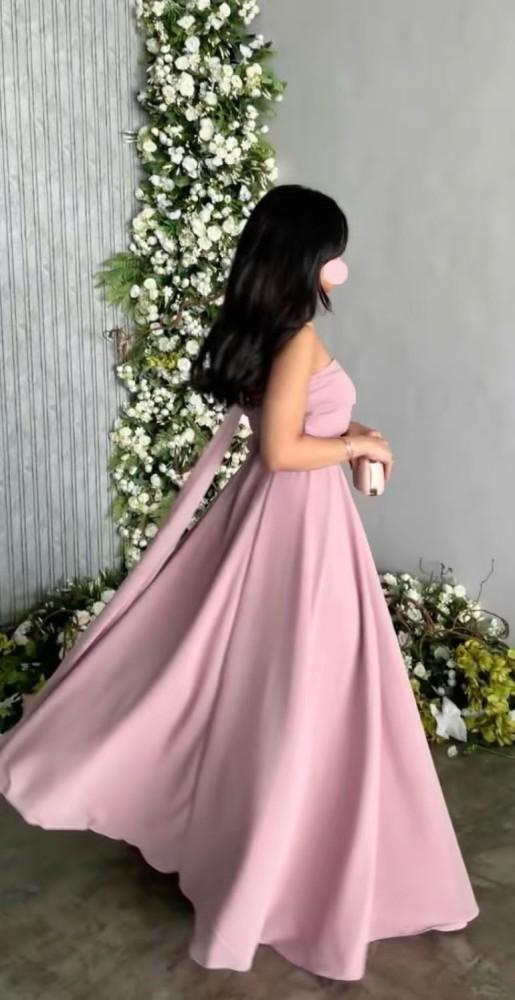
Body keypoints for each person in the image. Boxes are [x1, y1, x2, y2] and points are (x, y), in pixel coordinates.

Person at [0, 183, 479, 982]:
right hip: (298, 528)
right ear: (308, 259)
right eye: (333, 253)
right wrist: (359, 448)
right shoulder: (295, 340)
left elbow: (289, 431)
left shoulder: (275, 332)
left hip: (290, 521)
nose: (341, 268)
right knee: (302, 689)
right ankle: (283, 868)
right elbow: (283, 452)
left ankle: (277, 848)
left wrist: (351, 433)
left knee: (284, 687)